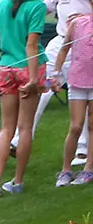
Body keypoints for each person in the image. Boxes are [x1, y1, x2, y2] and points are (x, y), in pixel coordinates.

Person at [0, 0, 47, 195]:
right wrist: (34, 78)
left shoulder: (1, 5)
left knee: (6, 127)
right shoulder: (37, 6)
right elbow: (31, 45)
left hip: (6, 68)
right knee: (25, 127)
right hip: (28, 68)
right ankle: (17, 182)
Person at [60, 0, 93, 184]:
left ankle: (89, 168)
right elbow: (65, 48)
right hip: (78, 79)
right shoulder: (78, 22)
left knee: (92, 125)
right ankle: (66, 170)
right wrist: (56, 74)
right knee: (75, 126)